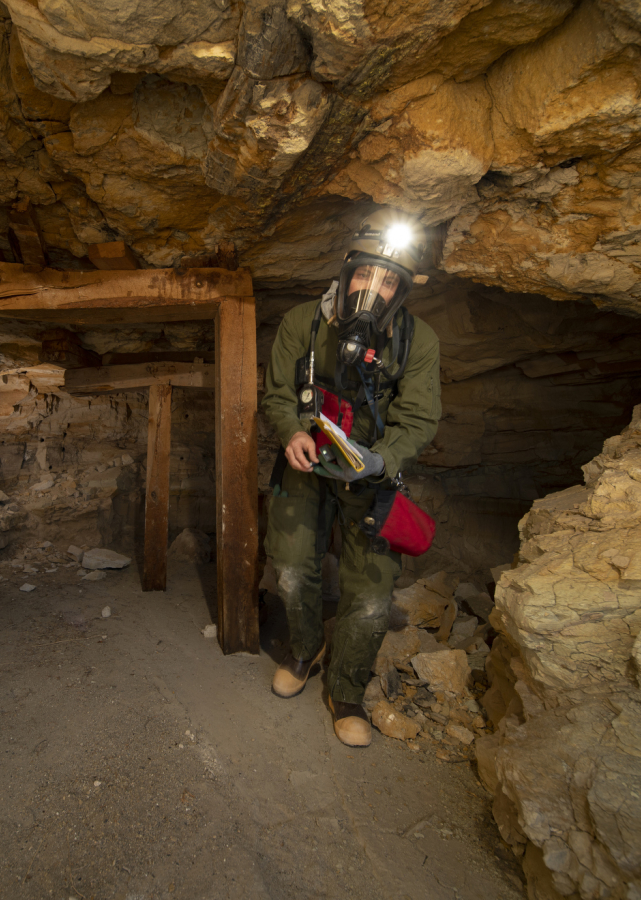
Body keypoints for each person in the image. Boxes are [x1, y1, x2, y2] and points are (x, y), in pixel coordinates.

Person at [260, 209, 441, 747]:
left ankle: (347, 691)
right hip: (309, 462)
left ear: (403, 292)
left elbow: (419, 418)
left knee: (369, 594)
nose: (374, 289)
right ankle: (306, 647)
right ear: (346, 271)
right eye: (366, 274)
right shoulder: (302, 322)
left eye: (390, 281)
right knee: (292, 566)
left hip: (370, 472)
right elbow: (277, 394)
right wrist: (291, 431)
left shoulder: (416, 340)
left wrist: (383, 460)